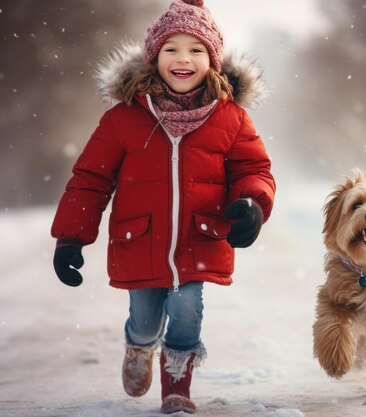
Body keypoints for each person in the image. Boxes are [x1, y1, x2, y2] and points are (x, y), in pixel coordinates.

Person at [50, 0, 275, 413]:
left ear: (213, 61)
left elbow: (254, 168)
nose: (183, 58)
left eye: (196, 49)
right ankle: (139, 346)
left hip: (199, 238)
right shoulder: (124, 118)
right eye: (171, 49)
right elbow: (91, 179)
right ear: (154, 59)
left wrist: (252, 203)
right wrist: (70, 237)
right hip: (141, 240)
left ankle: (177, 388)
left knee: (187, 308)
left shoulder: (231, 119)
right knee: (147, 318)